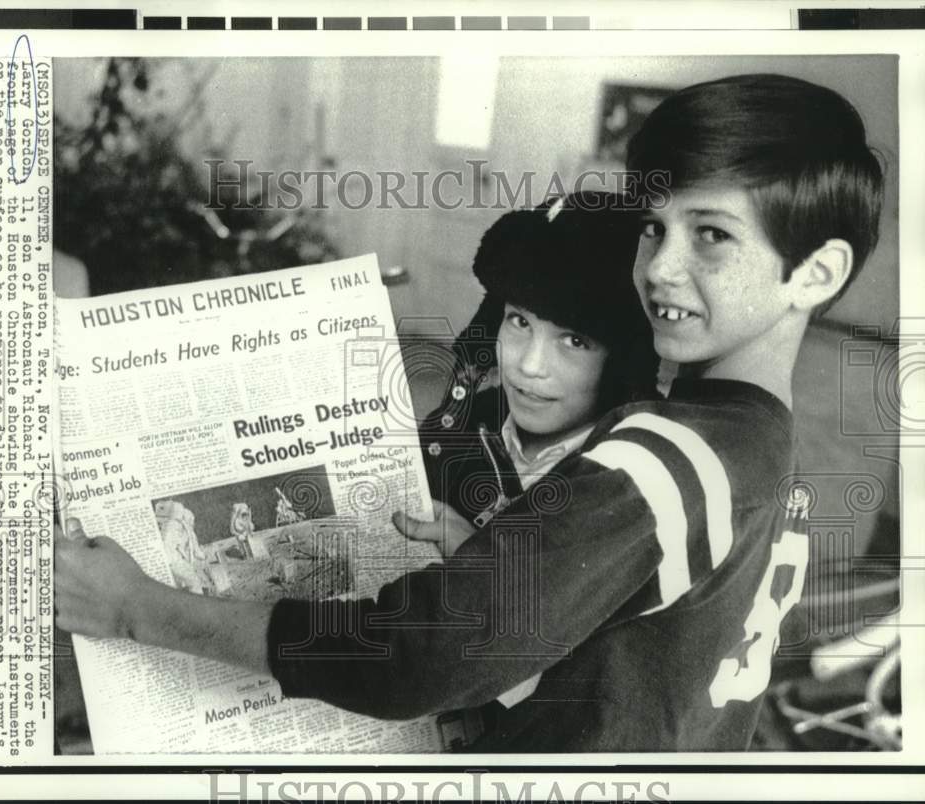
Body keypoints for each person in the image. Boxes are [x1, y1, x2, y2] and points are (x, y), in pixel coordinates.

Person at [55, 73, 884, 751]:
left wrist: (137, 608)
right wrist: (512, 564)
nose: (661, 268)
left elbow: (417, 658)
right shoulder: (759, 443)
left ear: (816, 272)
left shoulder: (660, 460)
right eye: (652, 228)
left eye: (712, 236)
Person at [419, 191, 657, 532]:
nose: (529, 366)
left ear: (624, 363)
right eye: (519, 322)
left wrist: (474, 555)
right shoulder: (455, 429)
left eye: (574, 341)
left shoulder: (632, 483)